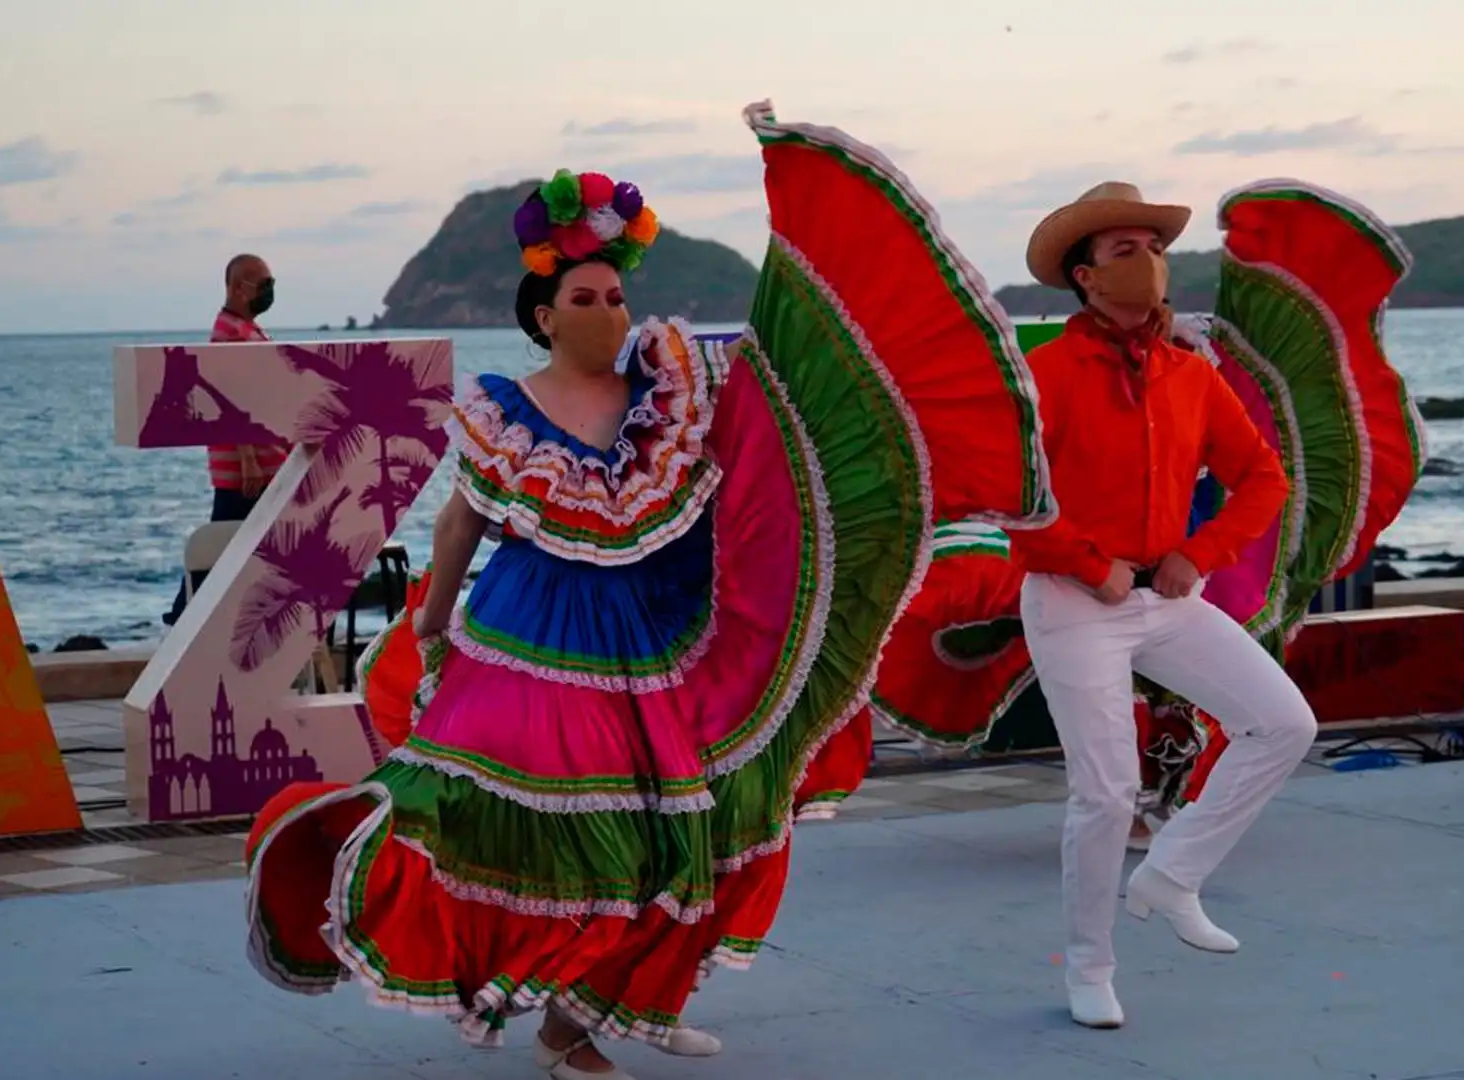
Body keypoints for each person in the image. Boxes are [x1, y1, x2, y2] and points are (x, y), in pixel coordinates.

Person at [243, 105, 1055, 1080]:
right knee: (531, 827)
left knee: (693, 823)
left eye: (617, 299)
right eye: (586, 299)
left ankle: (613, 1004)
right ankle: (543, 1001)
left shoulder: (666, 394)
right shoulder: (508, 409)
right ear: (544, 314)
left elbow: (756, 460)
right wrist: (433, 615)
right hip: (535, 643)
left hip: (665, 640)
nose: (610, 314)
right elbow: (461, 519)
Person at [1010, 181, 1314, 1031]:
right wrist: (1088, 562)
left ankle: (1172, 874)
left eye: (1153, 245)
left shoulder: (1190, 373)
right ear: (1085, 277)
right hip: (1074, 599)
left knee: (1284, 723)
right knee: (1106, 794)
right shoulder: (1045, 374)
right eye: (1123, 250)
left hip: (1171, 595)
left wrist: (1200, 552)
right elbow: (1012, 494)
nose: (1147, 261)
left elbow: (1264, 477)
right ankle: (1089, 965)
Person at [162, 253, 290, 626]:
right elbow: (228, 397)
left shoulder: (250, 329)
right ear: (238, 287)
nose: (269, 291)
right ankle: (184, 615)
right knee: (224, 544)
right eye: (263, 284)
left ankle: (191, 615)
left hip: (265, 462)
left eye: (271, 283)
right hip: (245, 468)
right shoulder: (228, 332)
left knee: (235, 543)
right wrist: (248, 458)